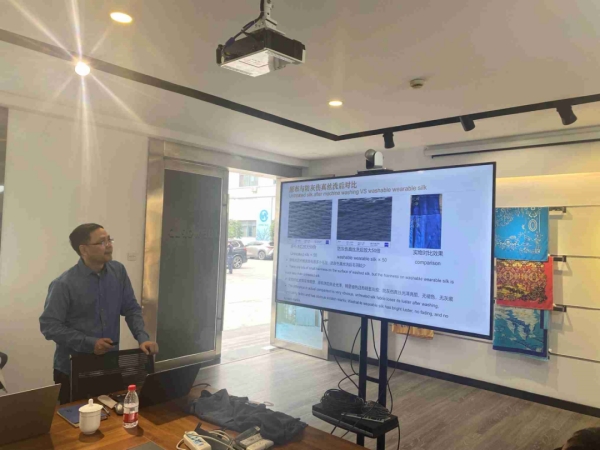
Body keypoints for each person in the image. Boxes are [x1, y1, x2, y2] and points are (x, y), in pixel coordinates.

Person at [40, 223, 159, 404]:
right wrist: (90, 343)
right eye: (102, 242)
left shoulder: (118, 272)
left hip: (110, 364)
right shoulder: (63, 284)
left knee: (114, 416)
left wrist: (142, 338)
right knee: (74, 419)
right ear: (84, 250)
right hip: (74, 369)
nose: (109, 245)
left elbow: (131, 308)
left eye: (109, 240)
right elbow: (49, 326)